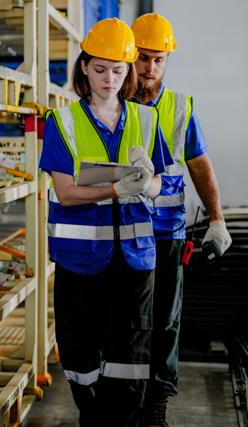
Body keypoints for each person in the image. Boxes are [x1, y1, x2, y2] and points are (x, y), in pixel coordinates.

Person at [39, 18, 173, 426]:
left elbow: (159, 186)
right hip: (80, 259)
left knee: (130, 357)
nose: (109, 79)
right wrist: (116, 190)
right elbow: (65, 192)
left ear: (129, 70)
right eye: (99, 69)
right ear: (83, 67)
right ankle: (94, 417)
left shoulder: (146, 120)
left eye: (118, 70)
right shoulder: (61, 122)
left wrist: (148, 181)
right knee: (79, 354)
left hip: (135, 260)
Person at [130, 13, 233, 426]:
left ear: (167, 59)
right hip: (117, 235)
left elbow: (200, 167)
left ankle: (156, 404)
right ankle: (122, 401)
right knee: (123, 321)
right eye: (142, 58)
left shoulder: (179, 108)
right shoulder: (108, 102)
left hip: (166, 235)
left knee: (164, 323)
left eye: (157, 59)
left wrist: (217, 220)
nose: (149, 68)